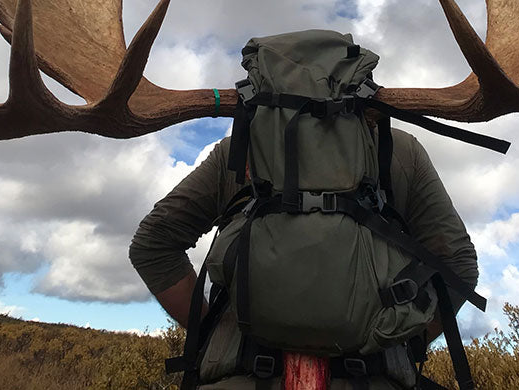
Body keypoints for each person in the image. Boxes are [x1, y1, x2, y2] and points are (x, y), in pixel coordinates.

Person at [130, 123, 478, 390]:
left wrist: (212, 337)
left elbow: (154, 243)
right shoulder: (398, 150)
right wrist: (401, 340)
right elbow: (458, 265)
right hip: (371, 380)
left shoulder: (243, 149)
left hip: (241, 378)